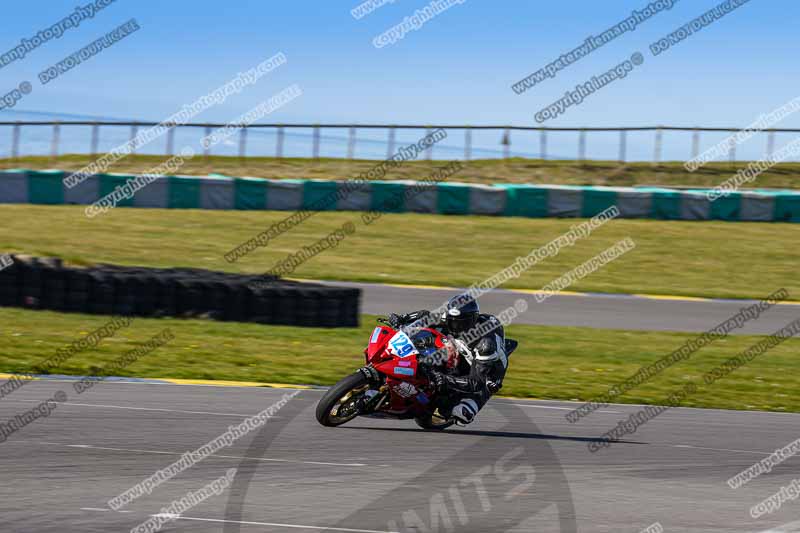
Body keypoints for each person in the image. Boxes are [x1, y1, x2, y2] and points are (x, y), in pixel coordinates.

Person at [386, 294, 508, 425]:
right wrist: (403, 318)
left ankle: (445, 403)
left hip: (486, 373)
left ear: (473, 319)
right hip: (464, 349)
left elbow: (475, 382)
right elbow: (426, 316)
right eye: (453, 321)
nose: (456, 327)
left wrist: (444, 379)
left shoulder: (485, 345)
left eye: (462, 323)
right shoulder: (453, 319)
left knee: (461, 413)